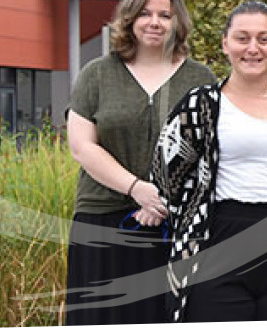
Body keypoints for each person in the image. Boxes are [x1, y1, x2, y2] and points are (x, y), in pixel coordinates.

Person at [151, 2, 267, 322]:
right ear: (225, 44)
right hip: (222, 242)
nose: (253, 48)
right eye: (242, 38)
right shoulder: (200, 105)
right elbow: (164, 173)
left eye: (263, 39)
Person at [64, 0, 214, 324]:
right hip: (102, 220)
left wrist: (162, 197)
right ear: (130, 19)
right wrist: (137, 189)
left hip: (174, 224)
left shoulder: (201, 79)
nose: (154, 22)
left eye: (164, 15)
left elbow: (208, 150)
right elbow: (81, 146)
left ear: (178, 22)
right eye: (145, 14)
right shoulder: (97, 74)